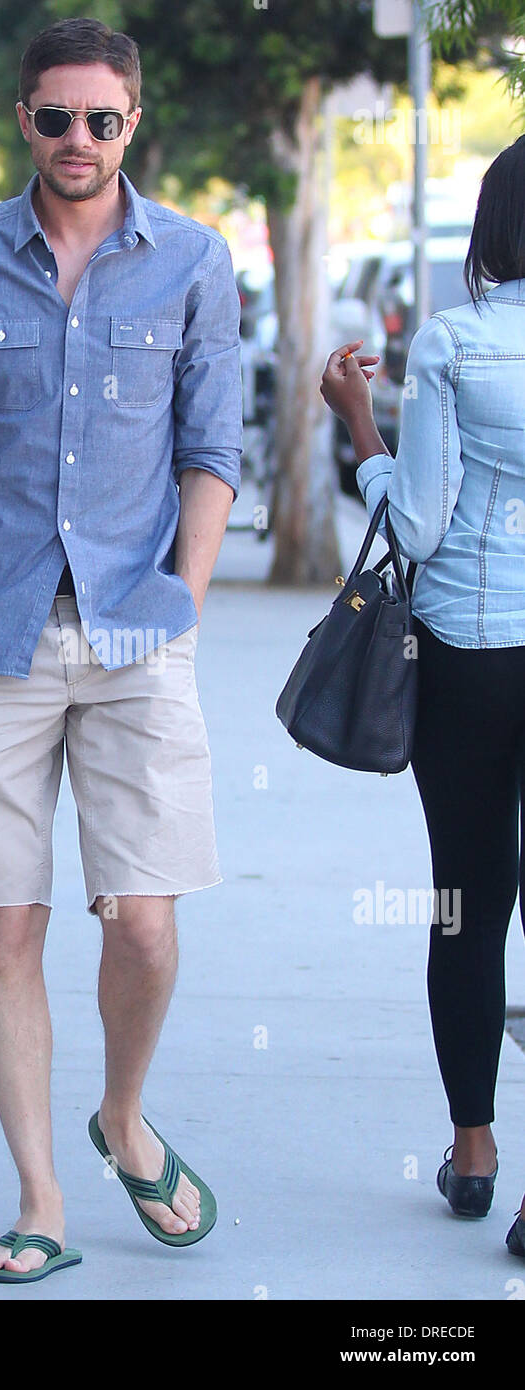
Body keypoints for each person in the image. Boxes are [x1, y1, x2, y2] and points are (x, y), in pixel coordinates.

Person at [0, 16, 242, 1283]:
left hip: (137, 634)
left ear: (134, 124)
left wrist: (181, 597)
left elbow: (212, 451)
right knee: (6, 925)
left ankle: (123, 1116)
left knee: (140, 923)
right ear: (24, 119)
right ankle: (39, 1199)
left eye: (103, 119)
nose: (79, 139)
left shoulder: (191, 258)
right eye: (56, 117)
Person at [320, 133, 525, 1260]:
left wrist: (358, 422)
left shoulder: (454, 341)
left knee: (468, 901)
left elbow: (417, 526)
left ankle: (475, 1147)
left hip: (473, 655)